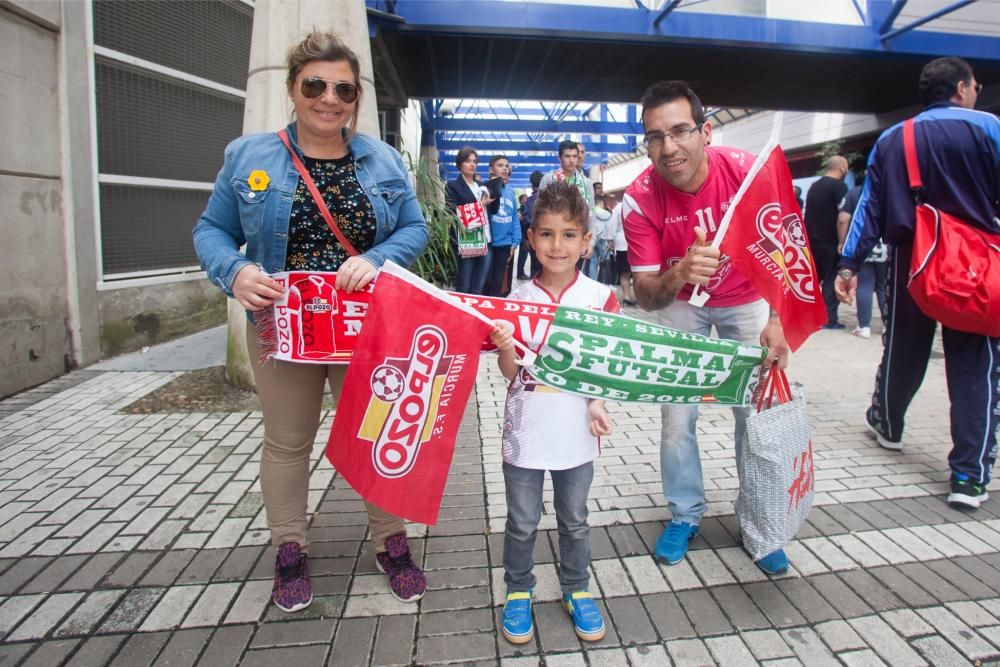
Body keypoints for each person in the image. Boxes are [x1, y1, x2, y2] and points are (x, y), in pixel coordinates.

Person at [192, 32, 428, 613]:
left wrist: (375, 259)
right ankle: (289, 547)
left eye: (343, 89)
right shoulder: (249, 156)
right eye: (315, 85)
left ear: (355, 97)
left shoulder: (382, 159)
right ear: (293, 89)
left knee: (375, 435)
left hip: (363, 330)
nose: (330, 99)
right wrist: (235, 270)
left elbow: (415, 229)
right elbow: (210, 230)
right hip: (283, 327)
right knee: (288, 442)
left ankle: (389, 541)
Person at [622, 80, 790, 574]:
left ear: (706, 130)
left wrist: (778, 321)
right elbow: (648, 298)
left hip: (747, 301)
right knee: (677, 416)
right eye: (655, 136)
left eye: (679, 131)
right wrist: (681, 270)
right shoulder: (639, 199)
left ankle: (760, 522)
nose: (668, 147)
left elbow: (785, 253)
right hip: (682, 306)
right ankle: (684, 513)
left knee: (754, 417)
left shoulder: (746, 174)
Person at [836, 56, 1000, 509]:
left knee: (904, 349)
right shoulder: (989, 128)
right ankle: (968, 476)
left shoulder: (894, 138)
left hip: (913, 262)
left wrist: (848, 263)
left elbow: (868, 207)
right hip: (977, 265)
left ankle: (887, 423)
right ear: (963, 88)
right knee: (974, 364)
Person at [489, 181, 617, 645]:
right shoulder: (517, 298)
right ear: (531, 239)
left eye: (568, 235)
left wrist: (598, 404)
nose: (556, 245)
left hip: (577, 434)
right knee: (521, 521)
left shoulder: (602, 298)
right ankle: (518, 590)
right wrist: (505, 345)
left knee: (575, 519)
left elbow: (603, 369)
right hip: (525, 430)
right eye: (546, 234)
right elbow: (510, 372)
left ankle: (576, 588)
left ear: (586, 241)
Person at [836, 175, 887, 339]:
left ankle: (864, 326)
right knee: (882, 287)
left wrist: (842, 242)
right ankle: (888, 325)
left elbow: (843, 218)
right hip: (887, 246)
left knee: (864, 285)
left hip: (863, 244)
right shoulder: (889, 191)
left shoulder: (854, 193)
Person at [541, 141, 598, 278]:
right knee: (551, 275)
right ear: (560, 157)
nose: (572, 160)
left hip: (576, 238)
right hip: (553, 236)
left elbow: (591, 214)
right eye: (567, 156)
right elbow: (539, 212)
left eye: (575, 156)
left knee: (573, 277)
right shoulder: (549, 179)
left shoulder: (586, 184)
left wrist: (592, 241)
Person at [804, 155, 849, 329]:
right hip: (830, 241)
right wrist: (841, 241)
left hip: (812, 240)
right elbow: (843, 217)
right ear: (842, 169)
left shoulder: (815, 186)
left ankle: (809, 315)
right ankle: (829, 319)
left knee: (813, 279)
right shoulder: (839, 187)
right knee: (830, 279)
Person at [446, 146, 494, 294]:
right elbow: (452, 212)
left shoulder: (482, 186)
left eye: (475, 161)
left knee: (479, 285)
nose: (472, 164)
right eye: (468, 161)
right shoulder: (453, 186)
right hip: (467, 239)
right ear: (460, 164)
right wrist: (481, 204)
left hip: (485, 238)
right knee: (464, 285)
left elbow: (490, 211)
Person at [483, 155, 521, 296]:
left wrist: (515, 242)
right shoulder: (484, 189)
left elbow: (514, 219)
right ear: (491, 170)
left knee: (498, 282)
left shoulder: (510, 193)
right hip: (488, 243)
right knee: (484, 280)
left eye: (506, 165)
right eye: (500, 165)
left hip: (505, 244)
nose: (505, 168)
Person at [606, 195, 636, 306]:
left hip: (622, 242)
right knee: (636, 272)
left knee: (624, 272)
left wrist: (610, 240)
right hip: (636, 242)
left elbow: (612, 226)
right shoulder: (639, 205)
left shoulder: (618, 208)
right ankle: (634, 297)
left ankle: (627, 296)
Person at [517, 171, 543, 279]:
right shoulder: (550, 199)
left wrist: (525, 239)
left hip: (534, 238)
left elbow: (526, 221)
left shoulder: (530, 201)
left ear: (532, 184)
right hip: (548, 238)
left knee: (535, 266)